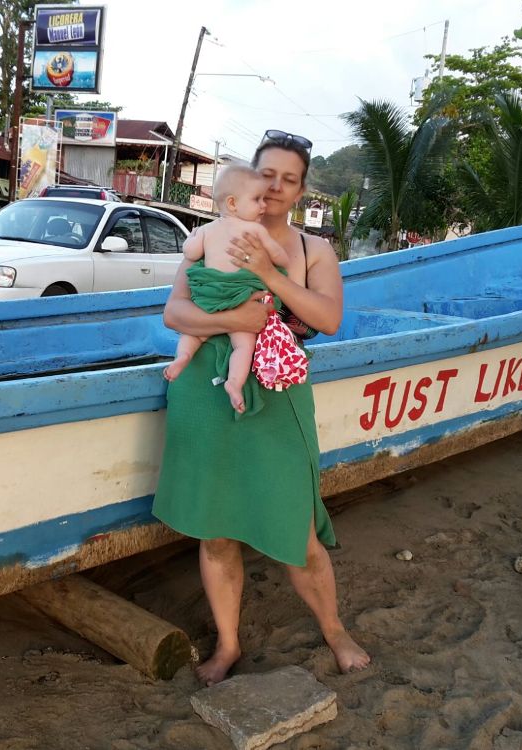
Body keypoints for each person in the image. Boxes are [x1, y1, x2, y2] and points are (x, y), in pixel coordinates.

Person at [152, 129, 371, 686]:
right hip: (207, 387)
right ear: (246, 182)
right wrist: (233, 321)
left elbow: (327, 320)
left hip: (276, 390)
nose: (274, 187)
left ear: (301, 190)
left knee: (295, 524)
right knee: (216, 528)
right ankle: (227, 645)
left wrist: (271, 277)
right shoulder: (209, 236)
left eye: (288, 180)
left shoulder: (309, 250)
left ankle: (335, 629)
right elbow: (175, 314)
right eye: (266, 175)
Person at [163, 165, 290, 413]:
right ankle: (234, 383)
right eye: (257, 199)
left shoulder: (207, 230)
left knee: (192, 334)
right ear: (232, 203)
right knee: (244, 345)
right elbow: (281, 259)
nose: (263, 205)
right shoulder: (255, 230)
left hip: (208, 297)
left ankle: (183, 358)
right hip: (238, 297)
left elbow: (190, 252)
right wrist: (274, 259)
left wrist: (193, 237)